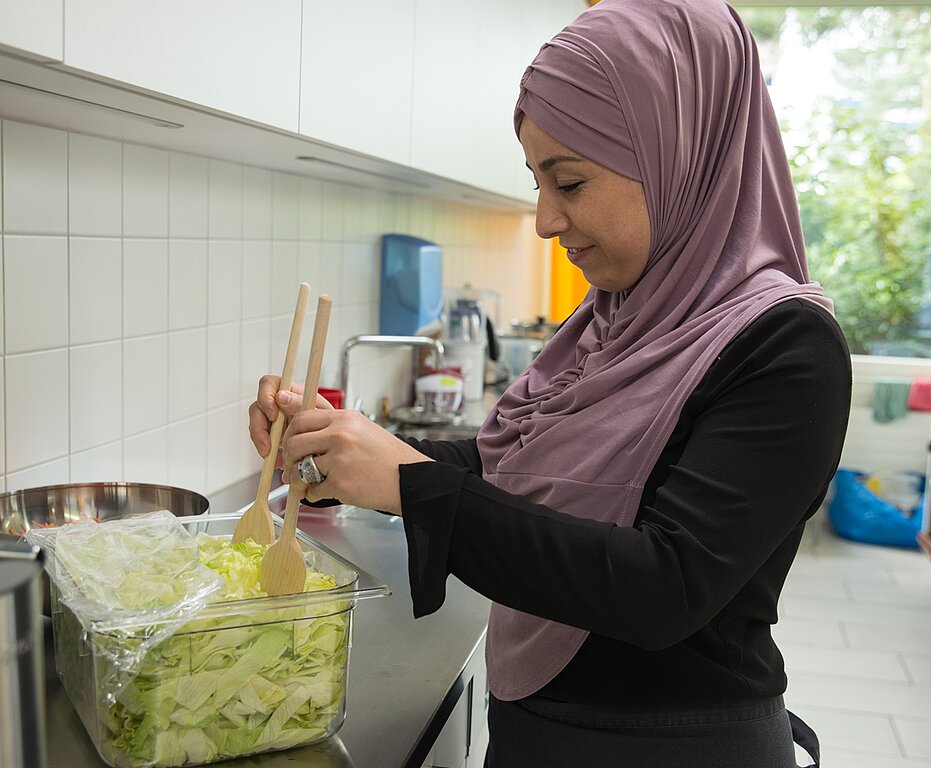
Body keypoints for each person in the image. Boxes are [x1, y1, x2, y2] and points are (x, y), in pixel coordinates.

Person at [248, 1, 851, 765]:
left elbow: (664, 586)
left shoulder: (785, 345)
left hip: (674, 745)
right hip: (540, 731)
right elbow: (510, 462)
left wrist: (412, 487)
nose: (543, 220)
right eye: (537, 180)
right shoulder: (614, 319)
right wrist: (344, 455)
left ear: (678, 154)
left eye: (568, 181)